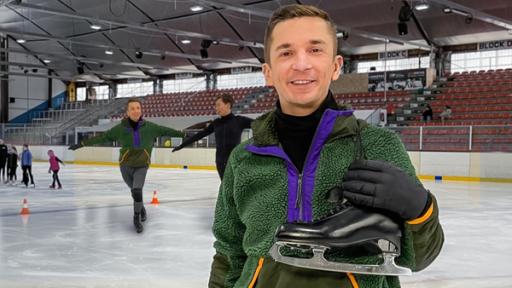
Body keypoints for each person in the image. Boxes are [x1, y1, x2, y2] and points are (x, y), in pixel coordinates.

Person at [208, 5, 443, 288]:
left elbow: (419, 258)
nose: (301, 64)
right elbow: (229, 253)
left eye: (315, 50)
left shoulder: (378, 145)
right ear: (268, 72)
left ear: (335, 67)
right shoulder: (243, 159)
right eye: (286, 52)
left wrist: (420, 207)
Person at [68, 98, 183, 233]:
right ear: (127, 112)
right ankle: (142, 208)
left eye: (138, 108)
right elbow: (102, 138)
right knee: (134, 191)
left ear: (141, 110)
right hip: (125, 165)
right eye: (132, 108)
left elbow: (168, 131)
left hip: (142, 165)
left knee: (137, 190)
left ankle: (136, 217)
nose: (136, 111)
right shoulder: (120, 129)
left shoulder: (151, 127)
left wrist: (184, 134)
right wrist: (81, 144)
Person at [171, 94, 253, 179]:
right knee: (225, 188)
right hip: (220, 162)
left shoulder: (239, 121)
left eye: (218, 105)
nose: (216, 108)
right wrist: (182, 145)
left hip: (235, 161)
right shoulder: (216, 123)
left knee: (236, 187)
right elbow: (199, 135)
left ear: (228, 105)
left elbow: (261, 125)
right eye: (215, 105)